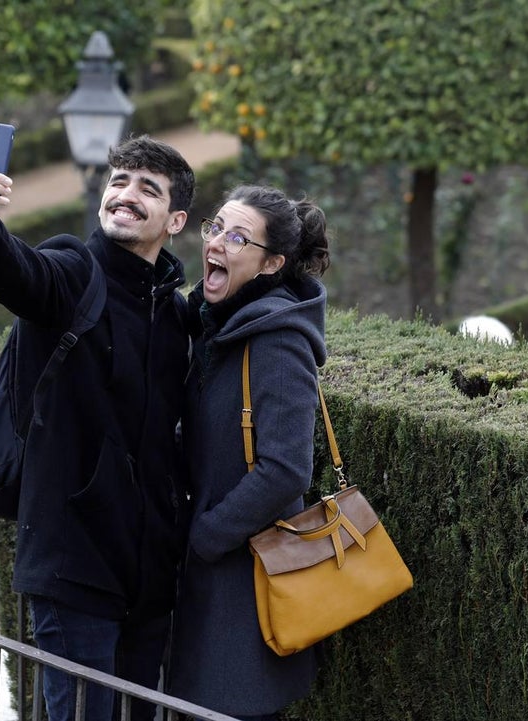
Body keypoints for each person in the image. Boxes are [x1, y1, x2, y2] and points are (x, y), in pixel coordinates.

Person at [0, 135, 194, 721]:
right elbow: (18, 272)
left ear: (176, 220)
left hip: (150, 574)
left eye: (148, 188)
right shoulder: (73, 271)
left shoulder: (175, 313)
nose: (126, 195)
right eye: (119, 181)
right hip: (73, 562)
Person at [166, 185, 331, 720]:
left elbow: (285, 470)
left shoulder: (277, 341)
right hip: (207, 580)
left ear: (272, 263)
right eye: (215, 228)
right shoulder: (215, 324)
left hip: (243, 585)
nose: (216, 242)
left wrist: (207, 537)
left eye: (238, 238)